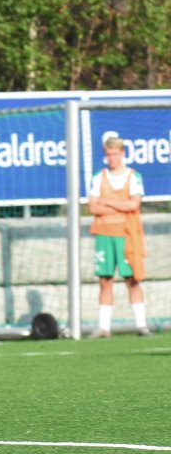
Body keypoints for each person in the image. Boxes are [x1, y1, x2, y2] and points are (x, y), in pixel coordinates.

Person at [87, 135, 150, 338]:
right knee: (105, 280)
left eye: (114, 154)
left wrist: (107, 202)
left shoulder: (133, 176)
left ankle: (141, 325)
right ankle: (104, 327)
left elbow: (134, 204)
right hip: (104, 234)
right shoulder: (99, 177)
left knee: (132, 279)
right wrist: (120, 207)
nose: (111, 158)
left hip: (126, 235)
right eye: (108, 154)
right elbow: (93, 207)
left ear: (122, 153)